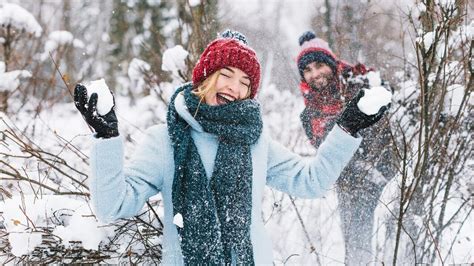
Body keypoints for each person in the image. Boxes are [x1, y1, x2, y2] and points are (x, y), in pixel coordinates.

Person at [74, 30, 387, 265]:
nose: (234, 88)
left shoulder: (254, 140)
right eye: (226, 75)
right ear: (205, 78)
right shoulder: (165, 141)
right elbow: (113, 206)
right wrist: (106, 137)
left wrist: (347, 128)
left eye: (245, 83)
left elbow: (311, 181)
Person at [296, 31, 397, 264]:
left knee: (393, 245)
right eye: (307, 70)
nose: (315, 74)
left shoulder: (360, 86)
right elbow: (326, 155)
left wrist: (378, 174)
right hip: (348, 187)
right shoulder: (309, 113)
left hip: (384, 180)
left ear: (331, 63)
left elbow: (384, 131)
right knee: (356, 249)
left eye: (319, 65)